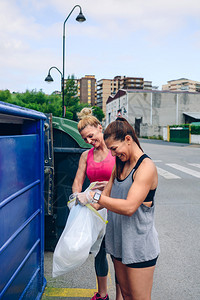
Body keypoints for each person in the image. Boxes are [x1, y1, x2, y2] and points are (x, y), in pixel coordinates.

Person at [78, 117, 160, 300]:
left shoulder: (145, 167)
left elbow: (130, 207)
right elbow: (101, 202)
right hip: (119, 244)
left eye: (114, 149)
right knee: (126, 295)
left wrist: (96, 196)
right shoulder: (119, 165)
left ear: (128, 140)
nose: (113, 154)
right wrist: (81, 200)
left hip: (139, 246)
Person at [72, 108, 123, 300]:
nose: (89, 141)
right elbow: (78, 181)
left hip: (115, 206)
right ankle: (102, 295)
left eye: (91, 136)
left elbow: (126, 177)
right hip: (96, 209)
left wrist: (111, 183)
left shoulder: (115, 151)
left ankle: (120, 296)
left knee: (118, 255)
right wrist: (76, 196)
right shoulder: (86, 156)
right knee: (99, 252)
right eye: (85, 139)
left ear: (100, 128)